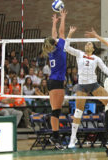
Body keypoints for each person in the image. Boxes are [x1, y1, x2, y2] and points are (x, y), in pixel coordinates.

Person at [66, 27, 108, 149]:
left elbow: (105, 70)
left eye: (89, 43)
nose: (87, 44)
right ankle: (73, 138)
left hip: (94, 84)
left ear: (93, 48)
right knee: (78, 112)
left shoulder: (96, 59)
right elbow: (66, 48)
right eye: (86, 43)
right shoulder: (79, 54)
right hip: (82, 86)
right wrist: (70, 34)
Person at [41, 9, 67, 150]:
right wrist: (62, 18)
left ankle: (54, 137)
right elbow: (61, 33)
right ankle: (55, 138)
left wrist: (53, 23)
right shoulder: (58, 48)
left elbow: (54, 35)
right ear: (55, 43)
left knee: (55, 111)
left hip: (53, 82)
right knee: (56, 112)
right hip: (56, 83)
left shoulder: (52, 50)